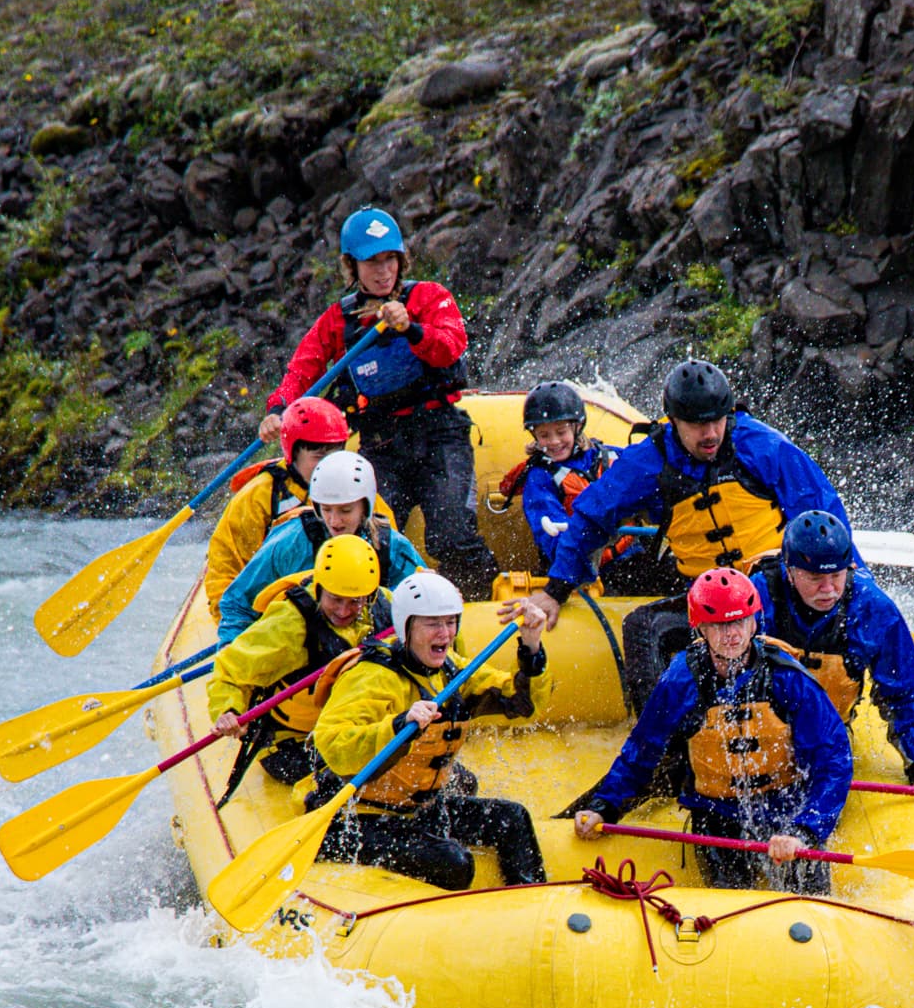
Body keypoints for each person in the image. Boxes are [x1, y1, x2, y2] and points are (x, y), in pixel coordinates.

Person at [516, 358, 859, 711]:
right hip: (706, 599)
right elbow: (591, 515)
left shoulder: (762, 446)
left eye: (716, 420)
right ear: (673, 421)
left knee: (847, 613)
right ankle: (668, 751)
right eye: (696, 425)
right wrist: (557, 589)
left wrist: (852, 580)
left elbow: (824, 517)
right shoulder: (649, 461)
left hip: (777, 589)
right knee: (642, 627)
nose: (709, 433)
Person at [260, 207, 498, 597]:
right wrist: (277, 409)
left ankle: (477, 605)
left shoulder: (428, 297)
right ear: (352, 266)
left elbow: (450, 348)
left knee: (451, 535)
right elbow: (303, 371)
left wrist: (412, 328)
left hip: (441, 436)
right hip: (382, 444)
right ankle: (380, 609)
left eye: (391, 259)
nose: (384, 271)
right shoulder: (338, 320)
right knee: (372, 536)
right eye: (372, 262)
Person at [572, 569, 852, 894]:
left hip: (787, 809)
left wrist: (806, 829)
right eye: (719, 624)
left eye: (738, 622)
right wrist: (605, 805)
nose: (731, 634)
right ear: (701, 628)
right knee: (728, 899)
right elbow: (642, 750)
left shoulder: (788, 679)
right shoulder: (680, 681)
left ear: (753, 622)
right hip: (717, 815)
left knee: (811, 892)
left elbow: (834, 761)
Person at [310, 572, 552, 891]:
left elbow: (522, 703)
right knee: (454, 862)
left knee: (513, 819)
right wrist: (398, 723)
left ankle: (532, 909)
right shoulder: (372, 676)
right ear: (406, 626)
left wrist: (532, 646)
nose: (445, 633)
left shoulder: (450, 670)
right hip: (355, 819)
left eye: (451, 622)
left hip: (416, 810)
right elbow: (332, 745)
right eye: (432, 624)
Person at [751, 510, 914, 804]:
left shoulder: (872, 608)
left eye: (836, 575)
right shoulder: (756, 597)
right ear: (790, 571)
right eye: (815, 577)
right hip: (759, 733)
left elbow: (904, 694)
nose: (828, 589)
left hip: (828, 733)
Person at [209, 535, 391, 803]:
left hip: (355, 730)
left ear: (370, 595)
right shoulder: (289, 625)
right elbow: (230, 669)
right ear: (319, 589)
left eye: (355, 601)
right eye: (335, 599)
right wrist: (227, 710)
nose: (343, 610)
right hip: (293, 744)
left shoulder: (385, 608)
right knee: (359, 767)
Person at [216, 452, 425, 643]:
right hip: (298, 646)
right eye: (326, 509)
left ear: (365, 507)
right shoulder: (292, 542)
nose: (334, 521)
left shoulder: (390, 546)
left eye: (345, 510)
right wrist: (231, 652)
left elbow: (422, 603)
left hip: (365, 650)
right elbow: (237, 603)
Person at [495, 380, 656, 592]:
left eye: (561, 432)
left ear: (577, 427)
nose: (554, 442)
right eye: (544, 435)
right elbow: (549, 532)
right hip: (579, 569)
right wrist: (574, 567)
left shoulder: (608, 455)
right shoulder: (540, 478)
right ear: (535, 435)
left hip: (629, 557)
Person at [204, 396, 350, 617]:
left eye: (335, 455)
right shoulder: (259, 496)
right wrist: (232, 625)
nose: (328, 466)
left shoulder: (357, 490)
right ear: (293, 455)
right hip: (277, 610)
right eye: (319, 457)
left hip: (343, 603)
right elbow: (226, 569)